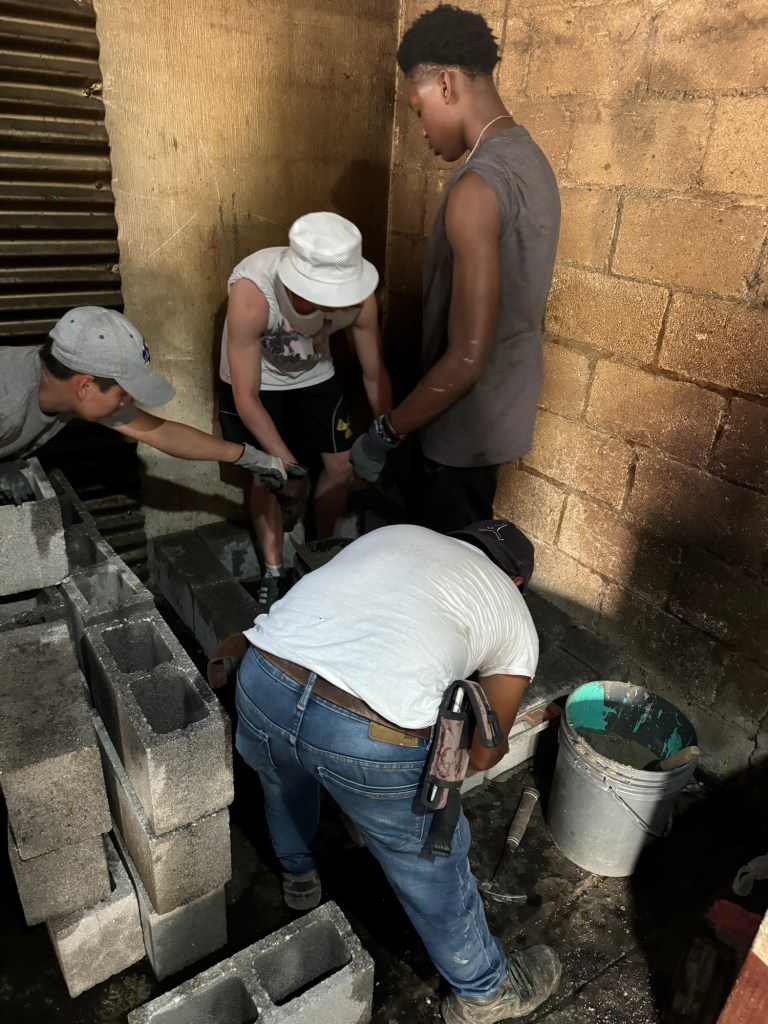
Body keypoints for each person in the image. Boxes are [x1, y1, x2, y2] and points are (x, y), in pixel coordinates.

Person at [234, 519, 561, 1023]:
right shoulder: (513, 612)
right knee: (428, 859)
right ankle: (485, 992)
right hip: (366, 733)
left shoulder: (398, 533)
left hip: (263, 679)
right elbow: (484, 755)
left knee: (282, 781)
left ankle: (299, 875)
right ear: (517, 581)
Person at [350, 4, 561, 534]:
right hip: (499, 415)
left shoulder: (477, 187)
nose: (421, 130)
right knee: (467, 541)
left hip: (462, 429)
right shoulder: (531, 161)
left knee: (443, 559)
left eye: (418, 109)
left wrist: (384, 433)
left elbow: (467, 359)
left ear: (445, 85)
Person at [219, 211, 392, 609]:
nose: (334, 303)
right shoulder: (254, 292)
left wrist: (387, 435)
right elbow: (246, 396)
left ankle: (320, 554)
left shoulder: (359, 301)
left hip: (314, 372)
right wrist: (291, 470)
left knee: (341, 465)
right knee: (269, 473)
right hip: (257, 380)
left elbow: (373, 372)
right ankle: (274, 568)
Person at [0, 305, 290, 505]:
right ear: (85, 385)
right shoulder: (9, 401)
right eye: (124, 393)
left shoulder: (64, 383)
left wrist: (252, 458)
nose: (129, 401)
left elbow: (161, 433)